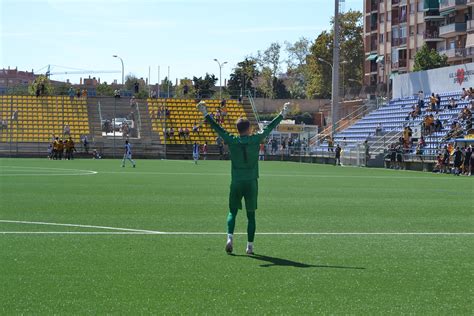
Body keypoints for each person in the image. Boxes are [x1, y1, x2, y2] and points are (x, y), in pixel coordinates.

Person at [197, 100, 289, 255]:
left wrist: (206, 113)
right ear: (249, 128)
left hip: (236, 181)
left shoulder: (232, 140)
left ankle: (230, 237)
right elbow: (269, 127)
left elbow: (218, 129)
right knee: (251, 215)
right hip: (251, 181)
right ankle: (250, 246)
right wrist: (283, 114)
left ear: (238, 129)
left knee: (232, 211)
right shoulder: (255, 139)